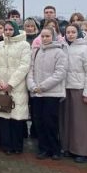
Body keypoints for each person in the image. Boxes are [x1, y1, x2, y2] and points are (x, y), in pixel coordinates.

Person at [27, 26, 68, 160]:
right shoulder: (36, 51)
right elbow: (30, 70)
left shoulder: (59, 52)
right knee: (39, 122)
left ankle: (55, 149)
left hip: (51, 94)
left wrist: (43, 87)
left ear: (53, 37)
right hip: (37, 93)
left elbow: (60, 73)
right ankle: (43, 148)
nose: (44, 38)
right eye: (42, 36)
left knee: (50, 122)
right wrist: (32, 86)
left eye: (47, 36)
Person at [0, 20, 31, 154]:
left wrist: (11, 83)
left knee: (16, 118)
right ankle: (6, 146)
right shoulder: (0, 45)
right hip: (1, 87)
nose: (8, 32)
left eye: (10, 29)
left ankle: (17, 146)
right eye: (6, 30)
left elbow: (24, 66)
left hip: (17, 87)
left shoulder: (24, 45)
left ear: (15, 30)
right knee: (4, 118)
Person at [60, 23, 87, 163]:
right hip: (65, 89)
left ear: (78, 33)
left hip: (80, 89)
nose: (70, 34)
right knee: (67, 120)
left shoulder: (85, 49)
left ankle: (83, 151)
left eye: (73, 32)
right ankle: (68, 147)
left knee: (81, 122)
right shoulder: (63, 47)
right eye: (68, 32)